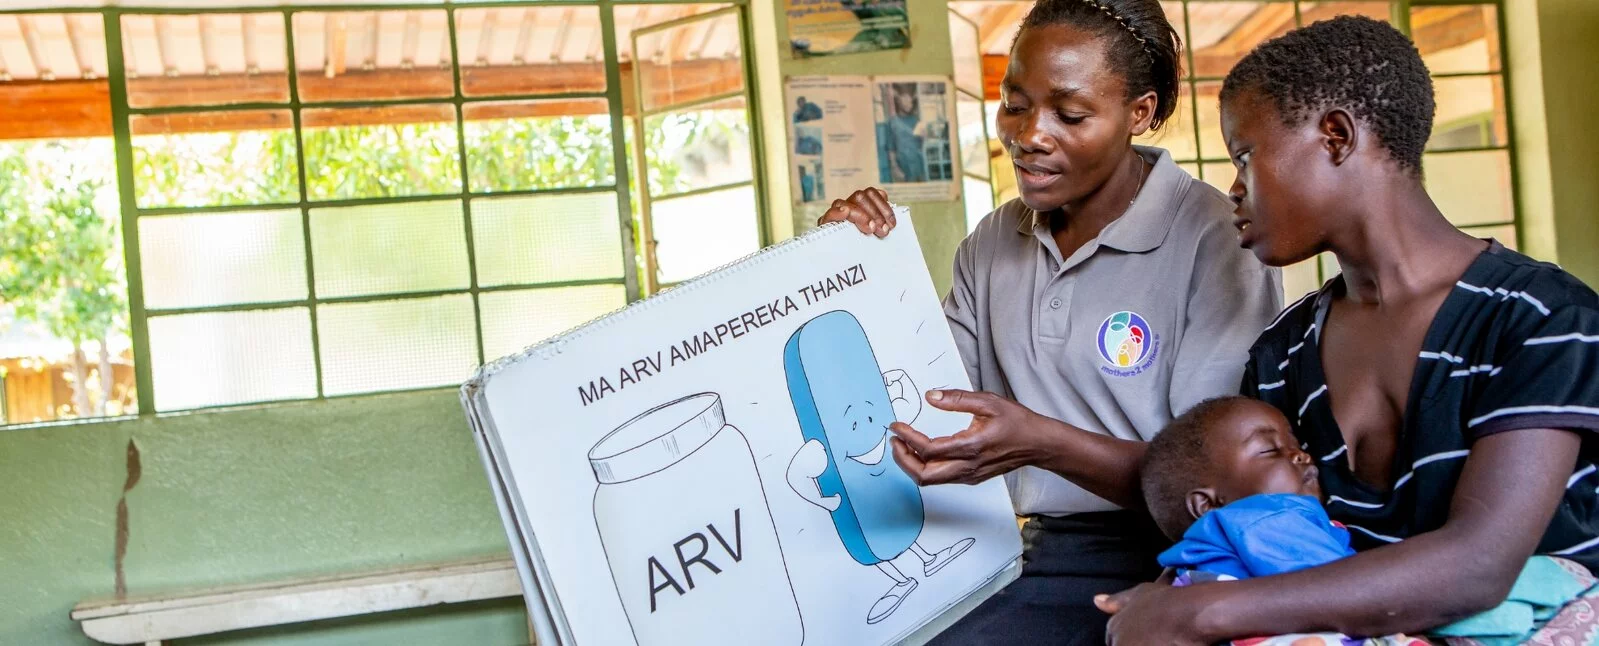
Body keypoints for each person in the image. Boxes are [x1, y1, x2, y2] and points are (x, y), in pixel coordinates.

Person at [1096, 16, 1599, 644]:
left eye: (1246, 157)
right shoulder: (1284, 355)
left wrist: (1201, 613)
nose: (1234, 188)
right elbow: (1272, 540)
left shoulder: (1541, 318)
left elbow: (1479, 567)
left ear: (1335, 136)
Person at [817, 0, 1283, 642]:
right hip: (1022, 548)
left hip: (1174, 553)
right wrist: (849, 268)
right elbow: (929, 400)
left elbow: (1209, 483)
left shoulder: (1214, 238)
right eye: (1014, 103)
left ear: (1139, 113)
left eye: (1070, 114)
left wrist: (1041, 442)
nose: (1030, 135)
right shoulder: (992, 241)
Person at [1141, 396, 1599, 645]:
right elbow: (1333, 589)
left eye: (1294, 441)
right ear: (1208, 503)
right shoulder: (1264, 518)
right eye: (1270, 450)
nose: (1300, 454)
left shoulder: (1221, 542)